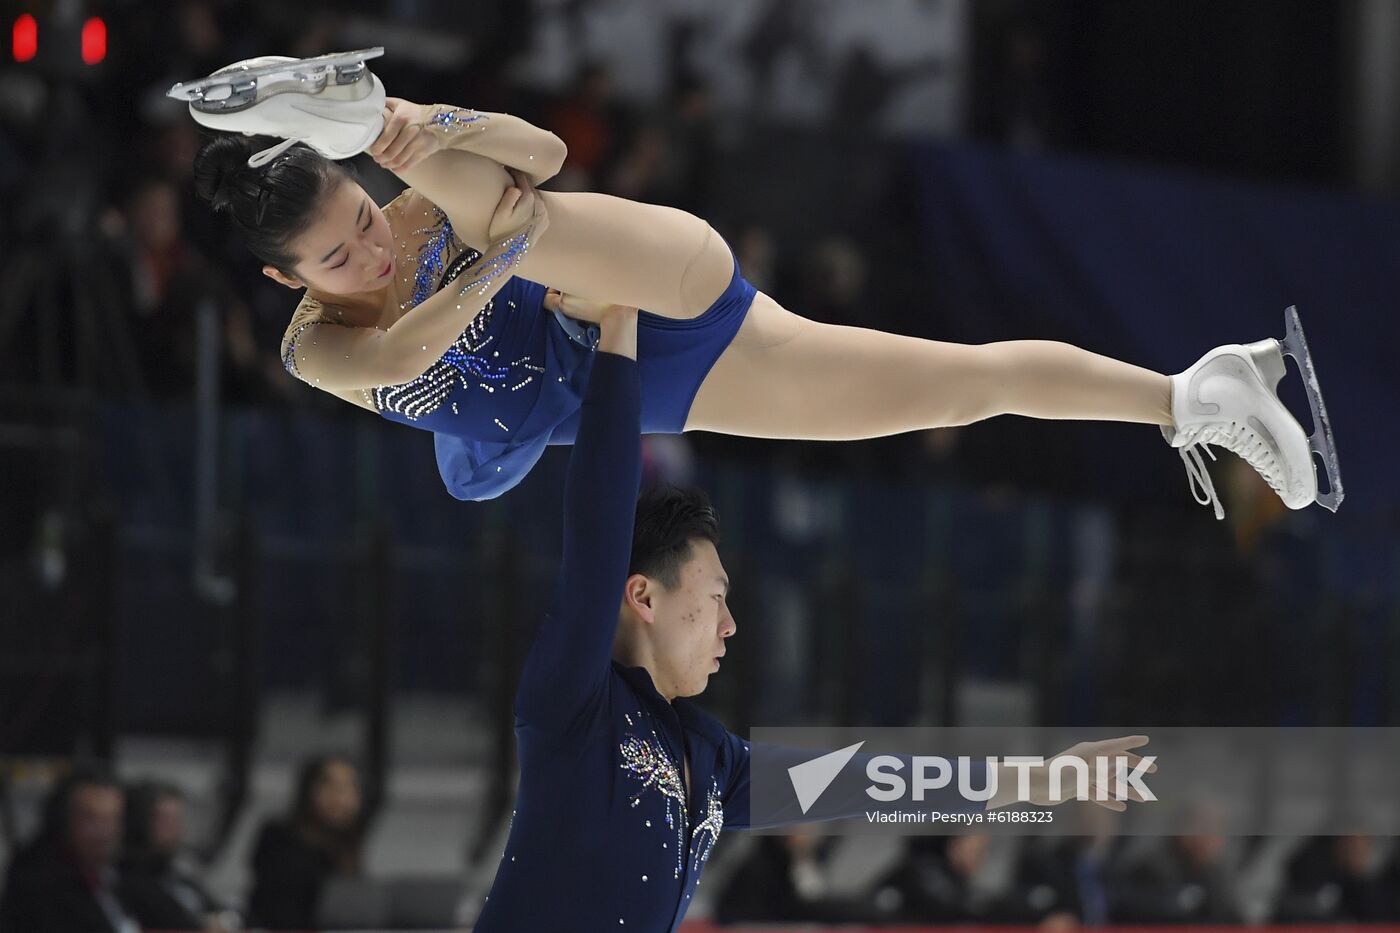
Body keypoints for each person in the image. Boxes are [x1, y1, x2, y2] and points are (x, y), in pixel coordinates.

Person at [171, 52, 1340, 517]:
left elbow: (543, 158)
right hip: (668, 370)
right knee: (959, 390)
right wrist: (506, 260)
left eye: (366, 219)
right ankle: (1195, 395)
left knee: (516, 208)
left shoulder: (421, 210)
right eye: (338, 259)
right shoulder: (311, 349)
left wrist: (425, 132)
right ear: (287, 280)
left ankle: (372, 116)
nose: (373, 251)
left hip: (640, 269)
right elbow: (403, 357)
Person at [464, 303, 1151, 930]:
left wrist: (1038, 780)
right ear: (643, 596)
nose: (730, 624)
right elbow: (599, 515)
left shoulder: (710, 759)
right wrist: (619, 330)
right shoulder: (575, 699)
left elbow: (875, 786)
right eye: (715, 597)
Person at [0, 766, 138, 933]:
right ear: (63, 820)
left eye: (112, 819)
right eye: (90, 818)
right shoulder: (38, 886)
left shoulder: (121, 875)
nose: (104, 832)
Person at [246, 754, 366, 930]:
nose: (342, 798)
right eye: (332, 786)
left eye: (350, 788)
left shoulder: (346, 845)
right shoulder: (280, 839)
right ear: (309, 790)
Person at [118, 780, 232, 931]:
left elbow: (218, 909)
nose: (177, 830)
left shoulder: (176, 874)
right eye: (166, 821)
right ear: (140, 823)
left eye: (178, 820)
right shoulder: (129, 883)